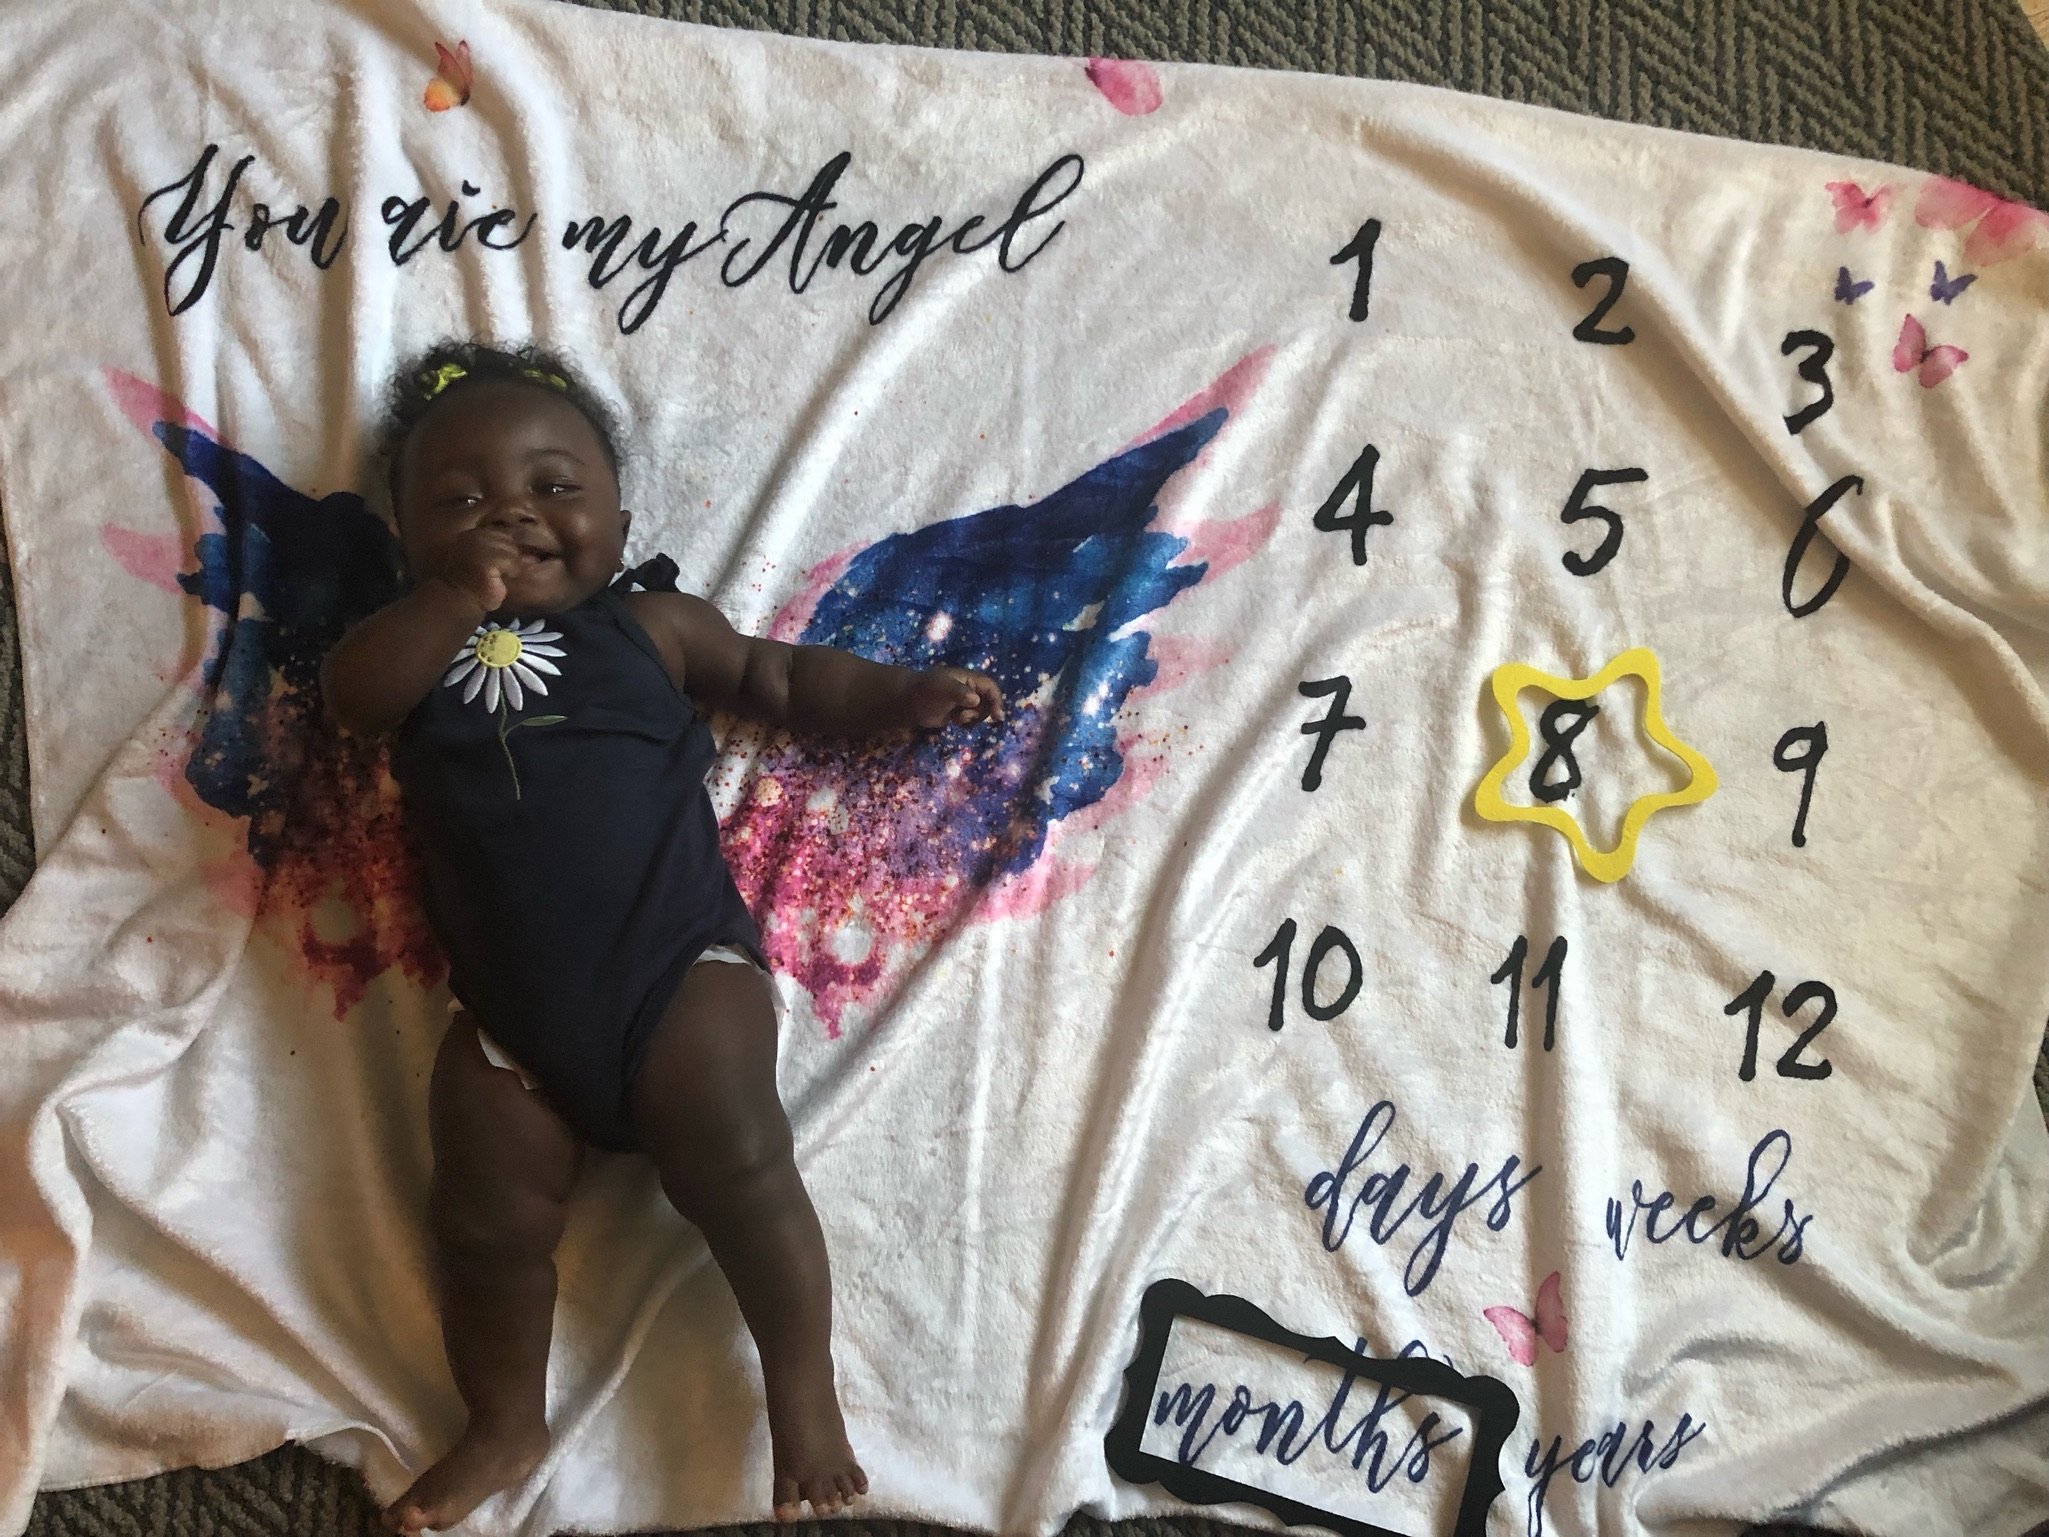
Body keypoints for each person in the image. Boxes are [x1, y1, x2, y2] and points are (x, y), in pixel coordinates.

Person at [321, 340, 1004, 1533]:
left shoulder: (653, 629)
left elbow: (779, 679)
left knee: (736, 1155)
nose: (511, 515)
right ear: (404, 541)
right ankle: (503, 1419)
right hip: (507, 1030)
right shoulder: (413, 654)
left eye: (553, 486)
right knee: (481, 1224)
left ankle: (802, 1396)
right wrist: (444, 603)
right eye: (461, 502)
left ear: (622, 523)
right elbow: (351, 698)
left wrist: (895, 696)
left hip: (677, 972)